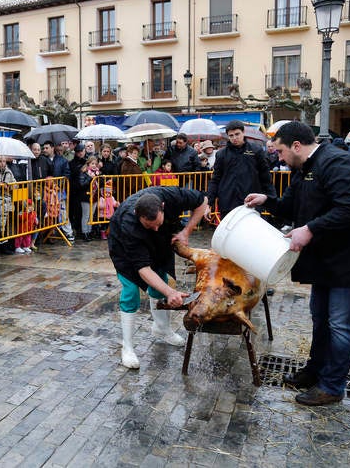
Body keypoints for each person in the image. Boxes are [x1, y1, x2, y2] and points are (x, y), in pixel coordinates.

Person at [245, 121, 350, 406]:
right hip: (327, 262)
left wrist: (310, 229)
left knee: (340, 324)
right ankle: (315, 371)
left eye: (279, 152)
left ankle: (332, 386)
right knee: (320, 319)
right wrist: (267, 200)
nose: (278, 157)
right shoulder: (303, 170)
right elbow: (289, 206)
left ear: (296, 146)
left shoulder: (336, 163)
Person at [108, 187, 209, 369]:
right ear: (138, 216)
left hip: (159, 243)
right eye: (149, 225)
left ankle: (162, 329)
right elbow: (142, 269)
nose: (155, 228)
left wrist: (186, 231)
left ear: (163, 206)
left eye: (158, 223)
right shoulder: (128, 224)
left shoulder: (172, 196)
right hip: (123, 250)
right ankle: (128, 347)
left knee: (159, 282)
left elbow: (203, 202)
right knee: (131, 292)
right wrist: (171, 292)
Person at [207, 120, 275, 217]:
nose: (235, 138)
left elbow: (265, 176)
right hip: (228, 202)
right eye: (231, 135)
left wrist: (271, 199)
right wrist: (209, 202)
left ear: (243, 132)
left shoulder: (256, 150)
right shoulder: (221, 154)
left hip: (251, 201)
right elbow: (215, 179)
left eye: (237, 134)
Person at [42, 141, 75, 241]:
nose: (44, 150)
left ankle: (68, 232)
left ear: (52, 148)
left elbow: (67, 174)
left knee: (62, 211)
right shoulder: (43, 160)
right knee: (48, 212)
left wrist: (59, 185)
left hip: (59, 190)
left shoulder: (62, 160)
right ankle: (50, 233)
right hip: (47, 191)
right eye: (44, 148)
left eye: (46, 148)